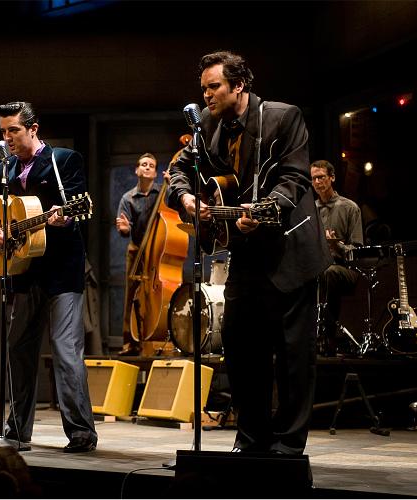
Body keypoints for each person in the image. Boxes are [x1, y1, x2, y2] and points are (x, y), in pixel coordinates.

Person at [167, 51, 331, 454]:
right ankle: (252, 437)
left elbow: (294, 178)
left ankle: (288, 445)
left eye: (214, 86)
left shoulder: (283, 116)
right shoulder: (206, 126)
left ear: (238, 85)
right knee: (241, 350)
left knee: (293, 356)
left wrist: (265, 210)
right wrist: (187, 198)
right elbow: (178, 171)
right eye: (203, 88)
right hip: (244, 252)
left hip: (290, 248)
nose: (206, 95)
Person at [0, 101, 98, 453]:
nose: (7, 138)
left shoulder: (63, 160)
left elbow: (76, 204)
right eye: (3, 132)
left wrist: (64, 217)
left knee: (66, 350)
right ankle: (16, 430)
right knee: (17, 348)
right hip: (23, 273)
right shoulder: (5, 170)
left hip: (61, 274)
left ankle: (82, 432)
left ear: (33, 129)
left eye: (14, 130)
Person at [114, 153, 170, 355]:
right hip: (137, 249)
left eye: (151, 165)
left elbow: (173, 208)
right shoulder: (127, 198)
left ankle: (160, 338)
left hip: (158, 251)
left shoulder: (162, 193)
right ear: (137, 170)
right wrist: (124, 229)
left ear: (155, 172)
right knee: (131, 295)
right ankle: (130, 343)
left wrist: (170, 186)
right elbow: (124, 229)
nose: (147, 167)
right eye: (143, 164)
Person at [310, 159, 363, 355]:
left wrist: (336, 245)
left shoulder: (350, 208)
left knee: (329, 273)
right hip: (317, 267)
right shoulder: (310, 210)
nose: (317, 182)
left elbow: (357, 252)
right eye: (313, 179)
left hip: (345, 269)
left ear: (332, 177)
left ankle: (327, 336)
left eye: (321, 177)